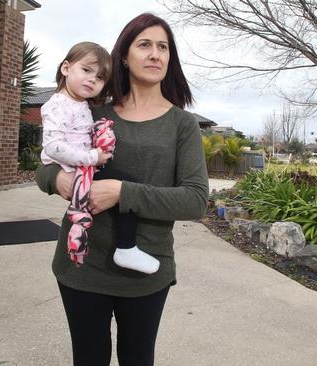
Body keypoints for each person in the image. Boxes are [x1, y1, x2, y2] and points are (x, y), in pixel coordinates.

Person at [36, 13, 209, 366]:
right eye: (144, 44)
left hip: (145, 270)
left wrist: (120, 192)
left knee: (137, 359)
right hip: (81, 266)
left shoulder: (182, 124)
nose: (155, 54)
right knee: (88, 359)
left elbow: (195, 200)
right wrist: (58, 181)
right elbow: (46, 163)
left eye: (163, 47)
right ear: (124, 57)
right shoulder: (92, 111)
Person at [41, 41, 160, 274]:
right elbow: (53, 147)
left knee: (125, 188)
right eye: (86, 70)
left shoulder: (81, 104)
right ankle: (125, 248)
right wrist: (92, 157)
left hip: (84, 166)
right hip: (77, 168)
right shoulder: (56, 106)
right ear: (66, 68)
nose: (92, 80)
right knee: (128, 185)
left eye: (100, 78)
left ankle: (123, 247)